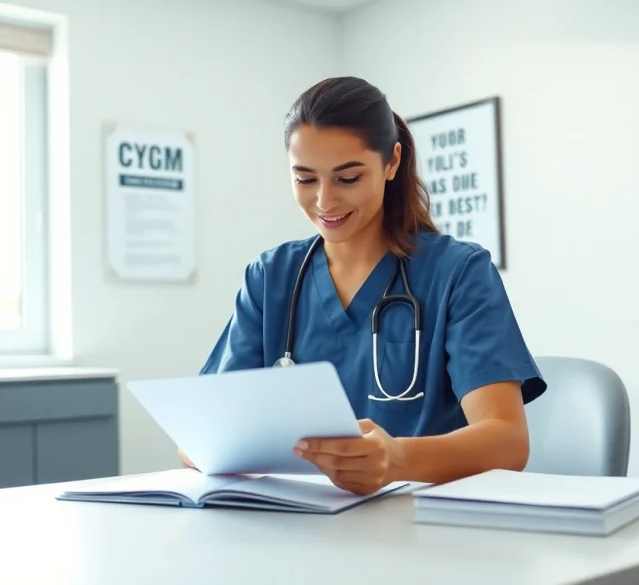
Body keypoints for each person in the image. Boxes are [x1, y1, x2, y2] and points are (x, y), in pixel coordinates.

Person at [187, 76, 547, 495]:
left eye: (348, 178)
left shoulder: (458, 272)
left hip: (428, 530)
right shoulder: (270, 278)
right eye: (305, 180)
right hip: (299, 528)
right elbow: (199, 436)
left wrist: (396, 460)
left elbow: (507, 442)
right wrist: (221, 448)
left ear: (392, 161)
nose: (324, 201)